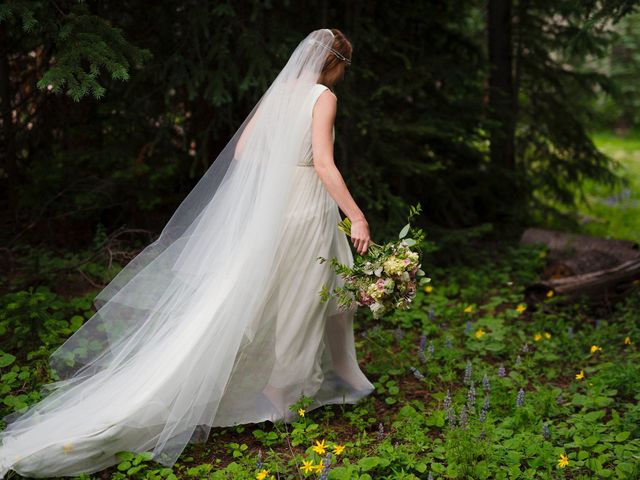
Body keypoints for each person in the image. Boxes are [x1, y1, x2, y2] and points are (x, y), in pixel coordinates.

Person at [0, 28, 374, 478]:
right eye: (342, 69)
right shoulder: (322, 95)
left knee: (314, 287)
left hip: (277, 211)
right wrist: (356, 215)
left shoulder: (280, 93)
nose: (341, 77)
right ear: (335, 64)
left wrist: (276, 181)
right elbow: (323, 162)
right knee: (302, 297)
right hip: (305, 208)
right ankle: (282, 394)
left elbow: (243, 151)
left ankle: (346, 376)